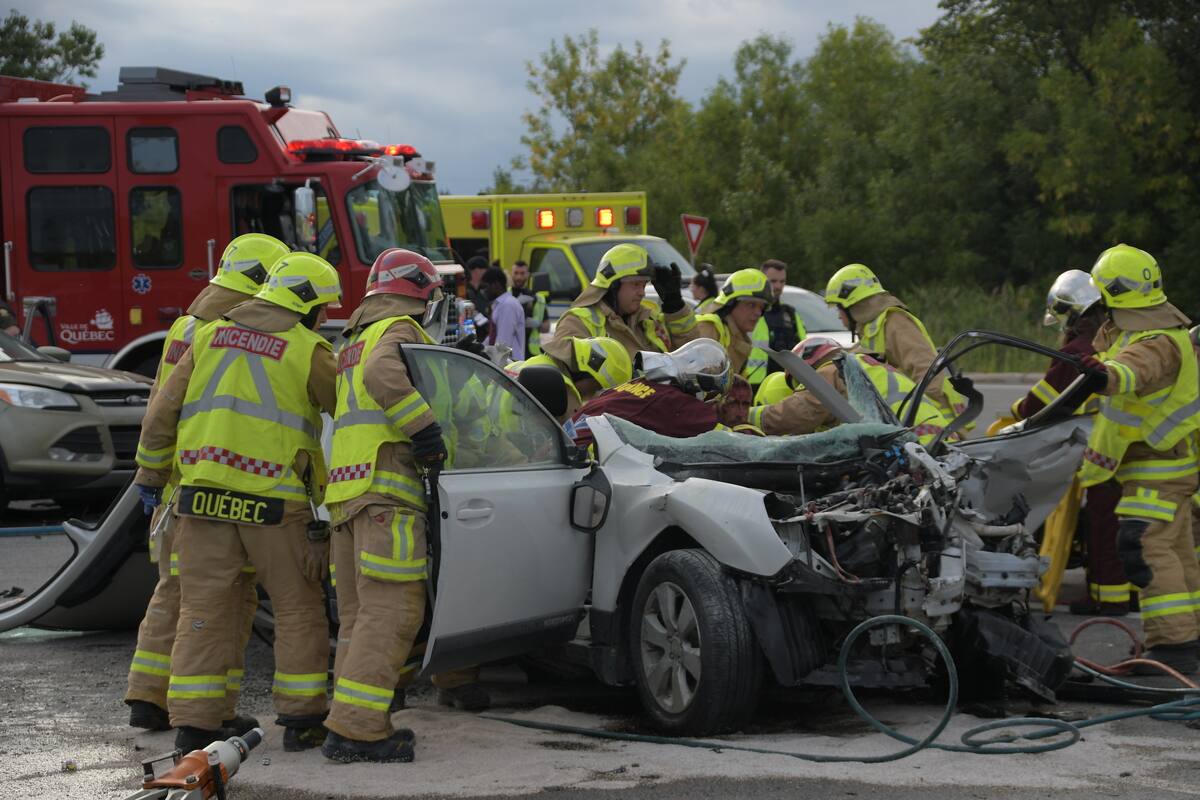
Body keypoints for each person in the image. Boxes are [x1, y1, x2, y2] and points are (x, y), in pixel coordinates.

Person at [134, 252, 340, 753]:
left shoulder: (207, 335)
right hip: (274, 505)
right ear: (309, 305)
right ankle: (302, 719)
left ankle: (196, 726)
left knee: (204, 608)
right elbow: (349, 407)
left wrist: (151, 474)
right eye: (324, 309)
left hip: (201, 500)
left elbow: (162, 412)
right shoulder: (308, 350)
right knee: (297, 607)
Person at [125, 234, 289, 735]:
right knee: (223, 600)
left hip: (177, 484)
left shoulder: (186, 325)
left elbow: (160, 408)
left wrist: (151, 475)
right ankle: (211, 711)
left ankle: (148, 695)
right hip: (214, 486)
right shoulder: (231, 330)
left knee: (173, 591)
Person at [321, 248, 447, 763]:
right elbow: (382, 375)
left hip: (347, 496)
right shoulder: (398, 329)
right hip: (386, 493)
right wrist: (426, 431)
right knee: (393, 612)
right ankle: (360, 729)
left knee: (358, 619)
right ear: (419, 293)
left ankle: (346, 723)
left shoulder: (353, 339)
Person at [1075, 244, 1199, 672]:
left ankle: (1172, 647)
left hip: (1157, 468)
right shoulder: (1152, 332)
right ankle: (1190, 637)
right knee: (1177, 550)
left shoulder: (1155, 341)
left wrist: (1104, 374)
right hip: (1166, 465)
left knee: (1145, 547)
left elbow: (1131, 370)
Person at [1010, 269, 1130, 616]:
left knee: (1103, 521)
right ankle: (1131, 590)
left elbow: (1039, 406)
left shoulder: (1077, 352)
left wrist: (1014, 413)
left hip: (1103, 449)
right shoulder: (1121, 340)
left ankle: (1109, 598)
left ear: (1075, 314)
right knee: (1130, 525)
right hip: (1132, 444)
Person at [746, 336, 954, 442]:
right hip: (940, 440)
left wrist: (746, 416)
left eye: (802, 385)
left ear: (808, 366)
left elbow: (801, 412)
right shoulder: (865, 366)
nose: (803, 389)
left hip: (916, 443)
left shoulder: (833, 369)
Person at [823, 263, 965, 418]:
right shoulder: (872, 330)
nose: (838, 315)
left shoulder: (895, 322)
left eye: (839, 308)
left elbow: (927, 371)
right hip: (908, 420)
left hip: (932, 423)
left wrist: (918, 417)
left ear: (853, 305)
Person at [569, 339, 743, 448]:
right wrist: (754, 442)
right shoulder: (677, 402)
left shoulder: (638, 384)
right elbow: (727, 441)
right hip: (586, 463)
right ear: (702, 388)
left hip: (565, 452)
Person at [550, 243, 698, 361]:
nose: (642, 292)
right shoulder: (577, 322)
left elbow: (690, 356)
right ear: (613, 286)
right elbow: (565, 375)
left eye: (643, 285)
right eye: (635, 284)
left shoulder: (649, 320)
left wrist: (674, 306)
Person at [507, 336, 632, 422]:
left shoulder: (529, 363)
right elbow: (573, 443)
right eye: (596, 387)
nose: (593, 395)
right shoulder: (565, 394)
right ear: (585, 373)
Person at [695, 269, 773, 383]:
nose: (758, 313)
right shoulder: (709, 327)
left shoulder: (739, 337)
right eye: (751, 305)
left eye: (762, 307)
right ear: (731, 304)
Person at [759, 259, 807, 363]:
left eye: (782, 281)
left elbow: (803, 346)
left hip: (786, 373)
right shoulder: (751, 312)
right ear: (762, 281)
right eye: (773, 281)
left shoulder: (790, 313)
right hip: (754, 374)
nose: (778, 286)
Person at [482, 266, 525, 360]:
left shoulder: (507, 306)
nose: (484, 291)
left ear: (496, 284)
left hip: (509, 363)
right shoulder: (500, 305)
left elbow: (503, 344)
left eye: (486, 287)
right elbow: (492, 337)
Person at [511, 260, 550, 356]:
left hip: (530, 352)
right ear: (511, 274)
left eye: (522, 273)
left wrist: (537, 324)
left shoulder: (537, 298)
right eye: (516, 273)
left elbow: (546, 327)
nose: (519, 277)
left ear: (528, 275)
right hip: (510, 349)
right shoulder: (505, 295)